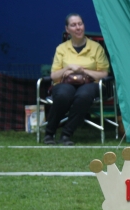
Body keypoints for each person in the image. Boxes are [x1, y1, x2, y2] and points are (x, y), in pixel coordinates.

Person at [45, 13, 109, 146]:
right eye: (73, 25)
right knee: (63, 95)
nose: (78, 27)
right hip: (65, 82)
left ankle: (66, 134)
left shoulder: (96, 47)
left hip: (91, 82)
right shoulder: (61, 49)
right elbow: (54, 76)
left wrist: (82, 71)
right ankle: (49, 133)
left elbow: (104, 74)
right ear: (67, 29)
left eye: (80, 24)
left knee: (83, 95)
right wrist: (67, 68)